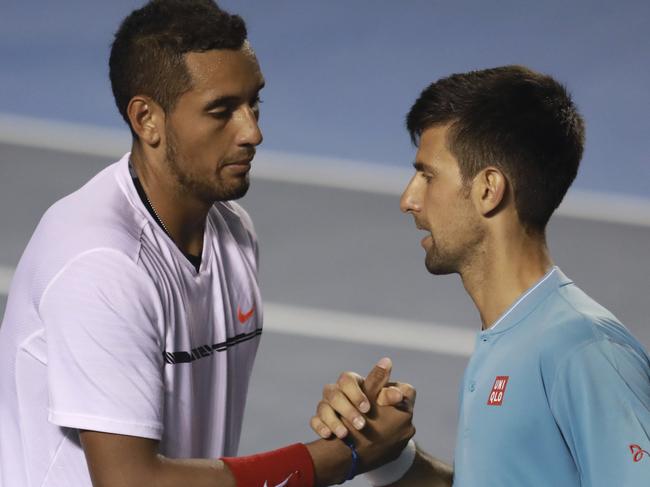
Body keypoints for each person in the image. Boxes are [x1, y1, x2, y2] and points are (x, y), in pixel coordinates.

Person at [0, 2, 414, 486]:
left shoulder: (232, 232)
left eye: (253, 103)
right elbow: (131, 482)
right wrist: (344, 457)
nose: (252, 132)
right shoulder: (100, 264)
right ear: (146, 119)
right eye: (221, 112)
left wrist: (356, 423)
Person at [311, 66, 650, 486]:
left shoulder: (583, 351)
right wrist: (387, 454)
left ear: (488, 189)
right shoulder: (511, 338)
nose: (408, 200)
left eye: (428, 175)